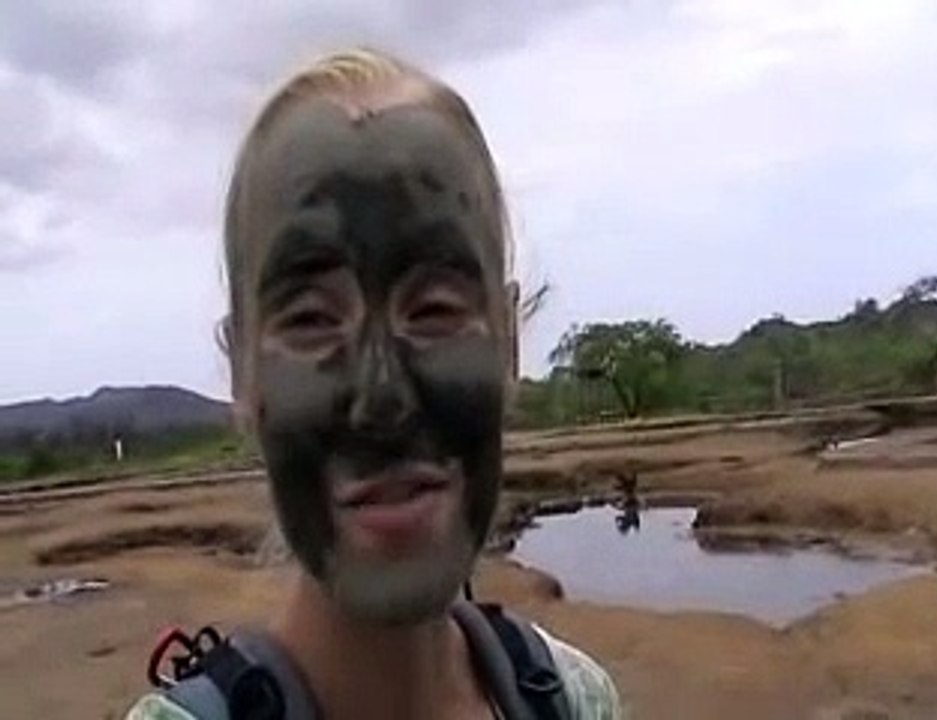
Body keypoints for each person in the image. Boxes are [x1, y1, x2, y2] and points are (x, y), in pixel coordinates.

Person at [126, 48, 622, 720]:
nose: (381, 400)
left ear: (508, 344)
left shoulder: (574, 700)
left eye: (436, 309)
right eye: (309, 321)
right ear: (241, 371)